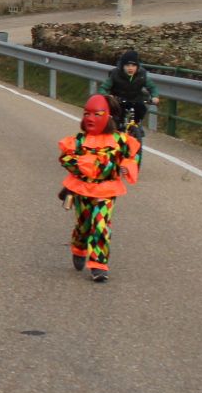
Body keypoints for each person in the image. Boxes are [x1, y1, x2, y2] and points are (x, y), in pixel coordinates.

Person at [59, 94, 143, 283]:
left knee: (101, 224)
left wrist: (127, 165)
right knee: (84, 225)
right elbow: (65, 158)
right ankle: (79, 247)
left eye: (96, 114)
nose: (89, 118)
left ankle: (98, 265)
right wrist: (82, 164)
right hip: (82, 189)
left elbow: (133, 157)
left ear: (108, 117)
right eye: (86, 113)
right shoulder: (79, 141)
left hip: (106, 190)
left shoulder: (121, 140)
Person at [107, 49, 158, 135]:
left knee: (141, 108)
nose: (130, 68)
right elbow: (104, 87)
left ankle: (137, 125)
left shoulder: (142, 75)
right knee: (118, 115)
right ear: (123, 66)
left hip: (135, 99)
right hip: (120, 99)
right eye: (127, 65)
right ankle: (117, 130)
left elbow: (152, 87)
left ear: (137, 66)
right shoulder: (115, 74)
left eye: (133, 65)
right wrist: (108, 96)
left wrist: (155, 96)